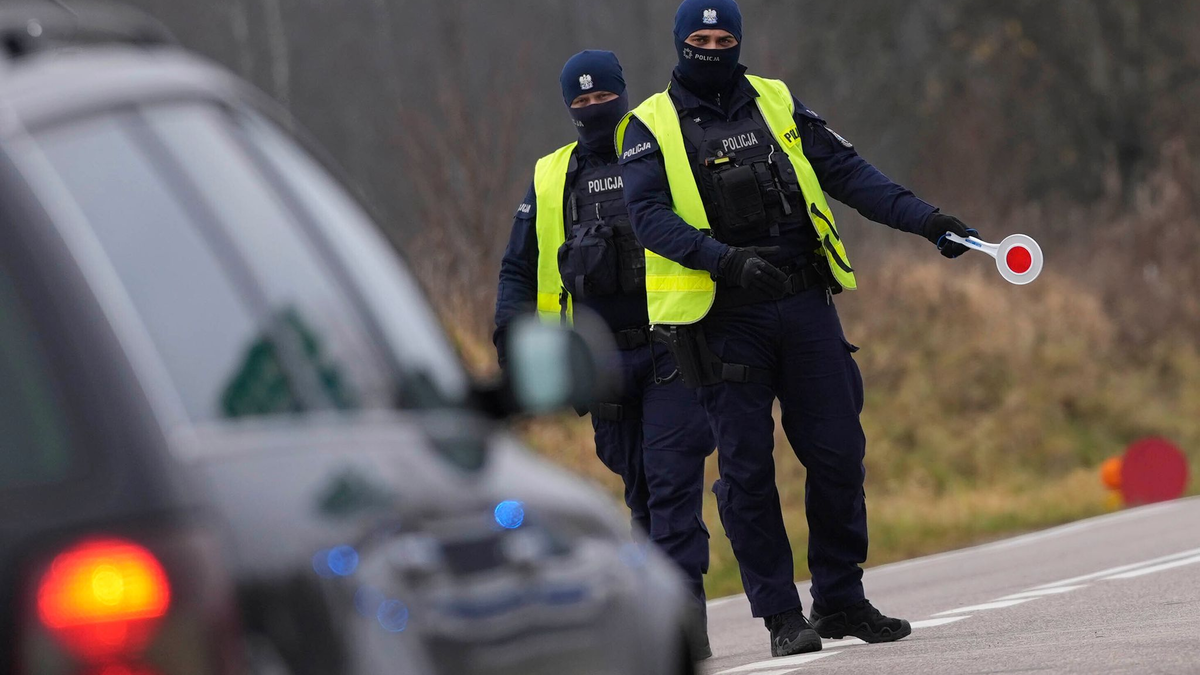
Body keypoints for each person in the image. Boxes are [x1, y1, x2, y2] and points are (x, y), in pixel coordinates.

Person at [617, 0, 980, 658]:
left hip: (804, 301)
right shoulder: (649, 125)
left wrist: (929, 222)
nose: (712, 46)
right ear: (680, 44)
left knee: (839, 452)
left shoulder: (777, 100)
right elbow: (647, 217)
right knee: (749, 472)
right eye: (699, 38)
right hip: (724, 317)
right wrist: (724, 261)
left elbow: (848, 172)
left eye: (724, 36)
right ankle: (782, 615)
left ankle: (840, 597)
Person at [493, 50, 717, 657]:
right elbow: (518, 269)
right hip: (601, 364)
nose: (594, 109)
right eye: (581, 101)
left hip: (671, 346)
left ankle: (687, 624)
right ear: (568, 106)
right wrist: (512, 339)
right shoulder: (551, 177)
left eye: (603, 98)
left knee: (672, 487)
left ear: (623, 93)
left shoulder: (656, 148)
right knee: (639, 490)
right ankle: (661, 620)